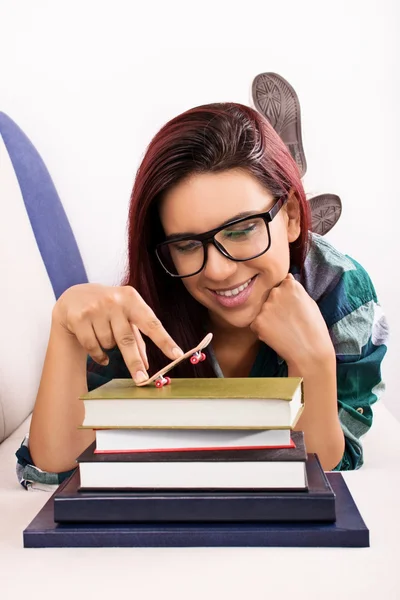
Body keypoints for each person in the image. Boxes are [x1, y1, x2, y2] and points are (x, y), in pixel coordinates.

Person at [16, 102, 388, 490]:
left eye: (242, 230)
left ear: (292, 216)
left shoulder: (340, 293)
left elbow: (327, 477)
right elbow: (53, 475)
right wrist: (65, 330)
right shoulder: (149, 303)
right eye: (187, 244)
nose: (217, 270)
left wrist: (313, 364)